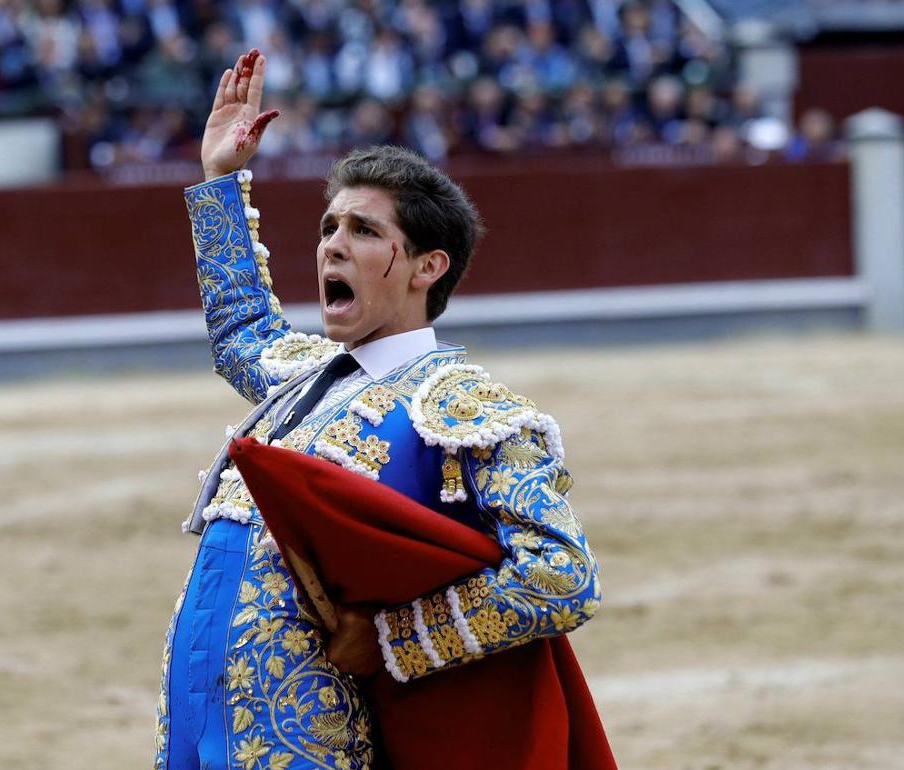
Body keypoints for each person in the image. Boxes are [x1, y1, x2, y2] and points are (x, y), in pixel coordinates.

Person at [156, 48, 603, 770]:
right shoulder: (301, 375)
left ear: (428, 267)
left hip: (316, 738)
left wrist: (399, 641)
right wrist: (221, 179)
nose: (333, 245)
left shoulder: (463, 406)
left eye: (364, 232)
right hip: (199, 714)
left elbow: (560, 574)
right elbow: (243, 329)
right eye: (330, 228)